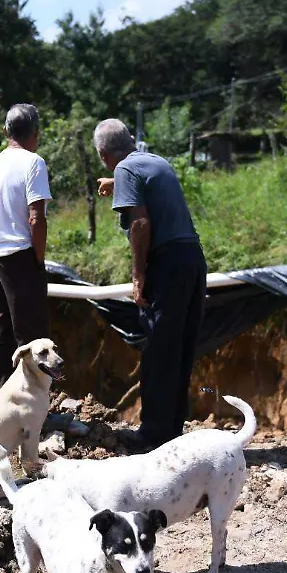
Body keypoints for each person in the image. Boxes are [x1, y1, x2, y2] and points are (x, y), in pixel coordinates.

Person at [93, 118, 206, 451]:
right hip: (192, 261)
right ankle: (172, 430)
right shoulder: (155, 161)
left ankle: (153, 436)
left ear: (103, 154)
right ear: (130, 139)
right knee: (180, 349)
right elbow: (149, 188)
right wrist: (117, 181)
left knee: (158, 349)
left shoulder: (126, 170)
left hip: (166, 265)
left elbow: (141, 223)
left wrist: (138, 274)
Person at [0, 104, 52, 392]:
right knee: (32, 336)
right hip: (20, 255)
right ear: (36, 132)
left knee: (4, 329)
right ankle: (33, 406)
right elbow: (36, 217)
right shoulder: (33, 163)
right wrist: (37, 259)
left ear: (5, 131)